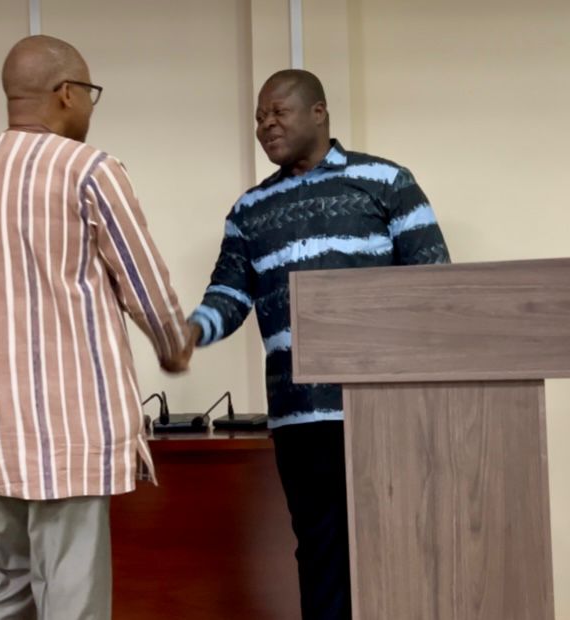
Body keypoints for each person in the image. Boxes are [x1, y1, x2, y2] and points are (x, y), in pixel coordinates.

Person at [0, 35, 190, 619]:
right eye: (89, 94)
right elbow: (143, 285)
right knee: (71, 588)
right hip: (72, 433)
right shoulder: (90, 170)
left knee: (2, 577)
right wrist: (174, 343)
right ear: (67, 93)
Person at [182, 69, 451, 620]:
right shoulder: (250, 209)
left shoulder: (386, 182)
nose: (266, 125)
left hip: (382, 409)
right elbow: (229, 295)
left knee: (399, 543)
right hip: (299, 416)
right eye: (259, 117)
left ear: (319, 113)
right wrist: (190, 331)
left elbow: (434, 283)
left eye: (278, 112)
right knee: (320, 553)